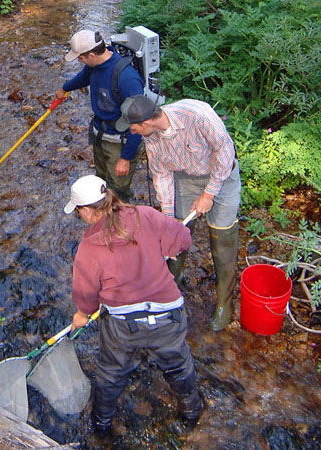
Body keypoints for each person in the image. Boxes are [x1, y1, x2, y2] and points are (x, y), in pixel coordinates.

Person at [65, 174, 202, 435]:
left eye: (78, 212)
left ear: (86, 210)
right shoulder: (146, 215)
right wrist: (163, 247)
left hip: (123, 326)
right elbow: (183, 239)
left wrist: (82, 314)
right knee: (177, 364)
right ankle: (191, 411)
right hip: (169, 315)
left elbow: (86, 293)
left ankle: (101, 426)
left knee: (110, 373)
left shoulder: (89, 246)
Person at [116, 95, 241, 331]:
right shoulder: (150, 137)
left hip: (223, 179)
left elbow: (225, 151)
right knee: (177, 231)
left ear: (145, 122)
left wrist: (209, 194)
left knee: (222, 241)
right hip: (184, 179)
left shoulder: (197, 115)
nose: (131, 133)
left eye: (132, 128)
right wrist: (169, 216)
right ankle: (171, 283)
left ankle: (225, 304)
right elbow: (161, 174)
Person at [54, 30, 144, 202]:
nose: (79, 61)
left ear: (93, 54)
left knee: (117, 190)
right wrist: (65, 88)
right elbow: (83, 77)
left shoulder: (127, 78)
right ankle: (103, 214)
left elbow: (138, 122)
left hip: (120, 140)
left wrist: (126, 158)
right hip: (100, 132)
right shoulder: (93, 66)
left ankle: (120, 221)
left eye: (80, 57)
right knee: (101, 180)